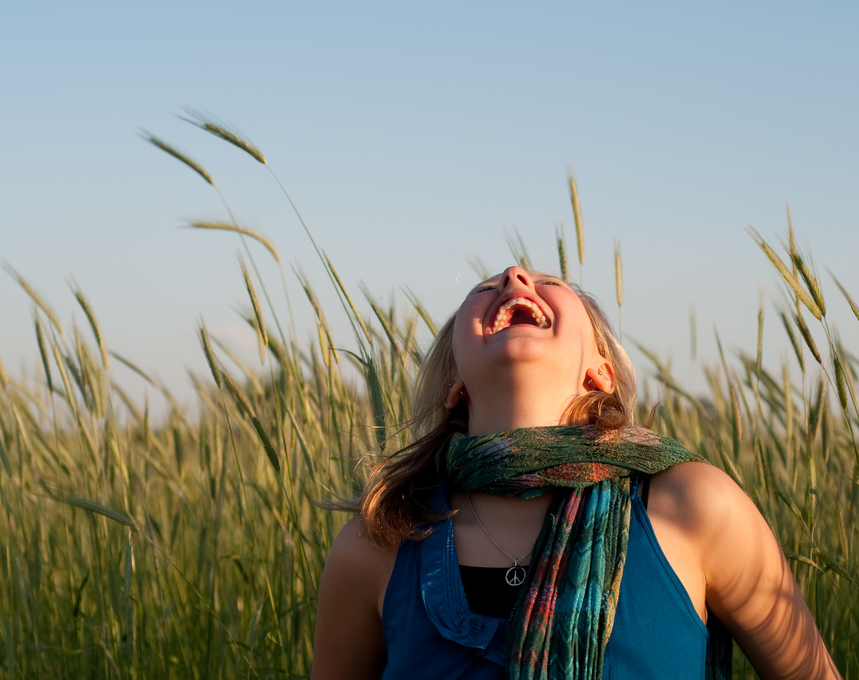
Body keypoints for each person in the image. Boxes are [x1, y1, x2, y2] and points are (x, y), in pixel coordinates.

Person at [311, 266, 840, 679]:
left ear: (600, 373)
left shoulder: (693, 505)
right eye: (486, 287)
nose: (515, 279)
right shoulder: (379, 540)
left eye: (547, 283)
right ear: (455, 383)